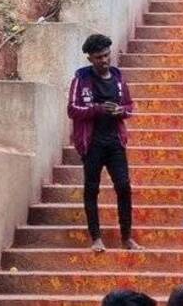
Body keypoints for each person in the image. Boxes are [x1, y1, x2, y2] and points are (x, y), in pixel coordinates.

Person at [67, 34, 141, 253]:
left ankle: (127, 237)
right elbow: (72, 109)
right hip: (91, 144)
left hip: (115, 142)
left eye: (107, 55)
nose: (104, 60)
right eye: (99, 57)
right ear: (90, 58)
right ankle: (96, 238)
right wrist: (98, 109)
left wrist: (121, 111)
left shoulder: (118, 78)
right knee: (91, 189)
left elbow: (129, 105)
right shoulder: (80, 80)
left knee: (124, 186)